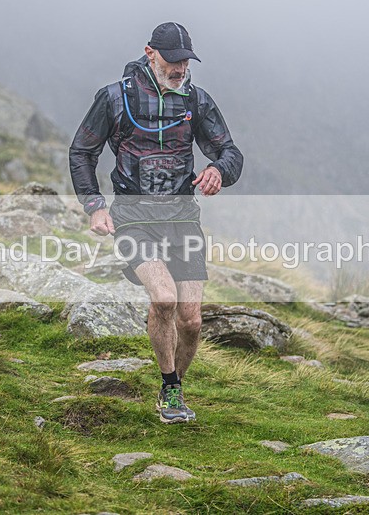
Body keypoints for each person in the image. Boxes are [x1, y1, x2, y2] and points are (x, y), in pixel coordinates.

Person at [69, 22, 243, 424]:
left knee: (192, 319)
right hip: (133, 218)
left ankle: (174, 389)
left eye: (186, 61)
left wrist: (219, 170)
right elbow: (82, 151)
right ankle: (170, 389)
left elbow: (230, 151)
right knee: (163, 298)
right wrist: (94, 205)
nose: (180, 68)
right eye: (172, 60)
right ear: (150, 53)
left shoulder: (196, 101)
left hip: (183, 220)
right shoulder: (115, 98)